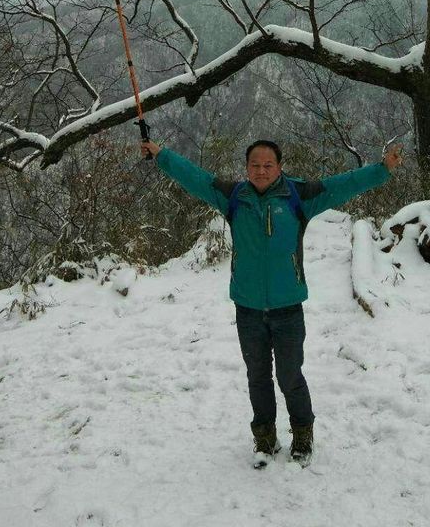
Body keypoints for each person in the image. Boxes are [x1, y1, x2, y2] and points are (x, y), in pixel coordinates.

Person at [141, 136, 403, 467]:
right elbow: (196, 178)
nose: (261, 171)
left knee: (290, 375)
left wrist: (382, 170)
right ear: (246, 167)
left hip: (288, 307)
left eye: (268, 165)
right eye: (255, 165)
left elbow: (344, 184)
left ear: (280, 167)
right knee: (258, 376)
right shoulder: (234, 197)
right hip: (248, 307)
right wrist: (161, 155)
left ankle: (302, 435)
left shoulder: (298, 197)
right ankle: (264, 439)